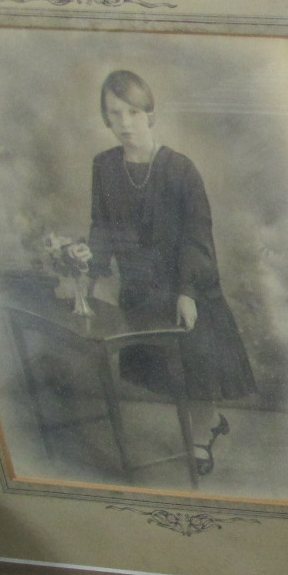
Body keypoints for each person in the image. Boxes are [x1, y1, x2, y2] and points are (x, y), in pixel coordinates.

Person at [87, 69, 256, 474]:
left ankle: (201, 433)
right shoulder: (104, 167)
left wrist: (187, 292)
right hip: (141, 287)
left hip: (190, 283)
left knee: (196, 364)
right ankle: (211, 421)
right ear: (106, 118)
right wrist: (93, 274)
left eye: (132, 111)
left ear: (150, 114)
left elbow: (197, 236)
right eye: (115, 113)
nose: (124, 122)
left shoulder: (180, 169)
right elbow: (102, 226)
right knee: (164, 369)